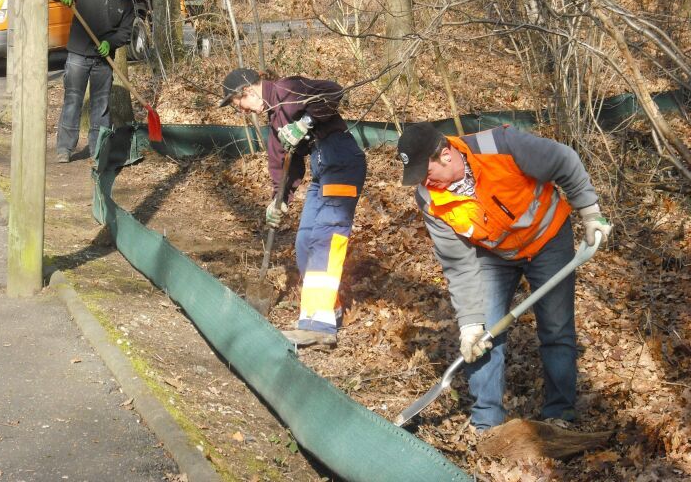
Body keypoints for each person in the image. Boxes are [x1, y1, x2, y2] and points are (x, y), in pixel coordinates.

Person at [396, 122, 611, 431]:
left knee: (556, 328)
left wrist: (590, 213)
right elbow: (458, 264)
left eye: (426, 173)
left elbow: (564, 161)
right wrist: (470, 324)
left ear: (445, 155)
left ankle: (559, 415)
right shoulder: (430, 200)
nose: (425, 182)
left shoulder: (500, 145)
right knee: (484, 336)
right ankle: (487, 424)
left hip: (548, 237)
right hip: (494, 254)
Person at [219, 68, 367, 348]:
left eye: (237, 103)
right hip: (322, 168)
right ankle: (327, 309)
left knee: (325, 237)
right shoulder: (275, 121)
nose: (240, 110)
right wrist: (279, 200)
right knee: (304, 242)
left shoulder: (288, 89)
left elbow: (333, 90)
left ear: (247, 91)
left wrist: (306, 122)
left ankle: (318, 327)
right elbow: (281, 163)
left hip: (343, 161)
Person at [48, 0, 136, 163]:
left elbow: (125, 33)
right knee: (73, 100)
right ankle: (64, 148)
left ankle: (99, 148)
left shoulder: (127, 3)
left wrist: (110, 43)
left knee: (101, 104)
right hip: (78, 55)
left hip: (103, 60)